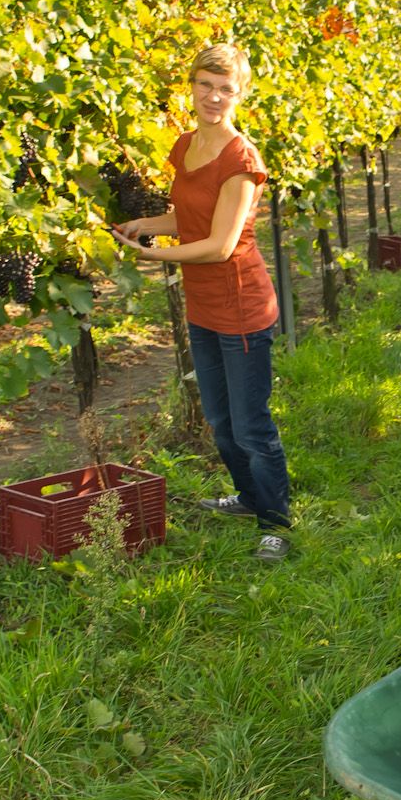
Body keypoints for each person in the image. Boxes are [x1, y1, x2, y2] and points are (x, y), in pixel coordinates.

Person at [112, 43, 293, 562]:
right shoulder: (186, 145)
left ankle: (276, 523)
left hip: (240, 304)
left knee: (251, 424)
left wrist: (157, 258)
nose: (213, 97)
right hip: (203, 306)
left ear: (241, 94)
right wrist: (145, 226)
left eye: (225, 88)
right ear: (191, 86)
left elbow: (218, 245)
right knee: (218, 419)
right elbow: (191, 218)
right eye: (205, 85)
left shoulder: (242, 160)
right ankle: (250, 497)